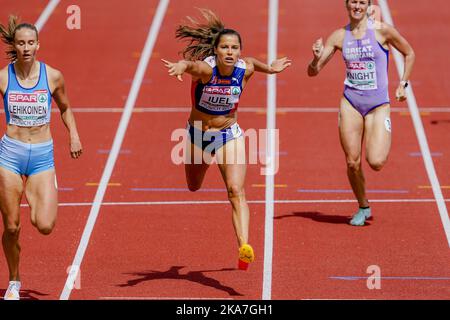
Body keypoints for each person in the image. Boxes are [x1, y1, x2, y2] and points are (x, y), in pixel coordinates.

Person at [162, 9, 291, 270]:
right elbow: (191, 66)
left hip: (228, 135)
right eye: (225, 47)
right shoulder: (205, 71)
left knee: (236, 191)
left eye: (234, 48)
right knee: (193, 186)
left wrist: (273, 68)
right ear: (216, 51)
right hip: (198, 135)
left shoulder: (246, 68)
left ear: (239, 51)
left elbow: (256, 62)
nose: (230, 52)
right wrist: (181, 66)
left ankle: (244, 245)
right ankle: (203, 169)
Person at [307, 0, 415, 226]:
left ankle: (365, 200)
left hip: (378, 105)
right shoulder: (338, 36)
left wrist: (403, 84)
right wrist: (316, 58)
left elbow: (409, 53)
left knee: (375, 161)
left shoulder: (382, 31)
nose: (357, 6)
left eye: (362, 2)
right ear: (346, 5)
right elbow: (313, 73)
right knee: (352, 162)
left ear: (368, 6)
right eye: (353, 2)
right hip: (351, 103)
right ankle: (363, 206)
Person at [0, 16, 82, 300]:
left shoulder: (53, 76)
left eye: (30, 43)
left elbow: (66, 108)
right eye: (20, 43)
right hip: (10, 155)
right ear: (14, 45)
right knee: (11, 227)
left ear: (38, 45)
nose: (25, 48)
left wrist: (73, 134)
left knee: (45, 225)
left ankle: (37, 195)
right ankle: (13, 280)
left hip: (42, 156)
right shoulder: (3, 77)